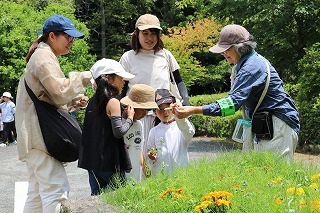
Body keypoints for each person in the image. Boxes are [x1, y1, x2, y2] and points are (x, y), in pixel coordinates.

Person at [173, 24, 300, 160]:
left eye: (226, 49)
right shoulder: (244, 65)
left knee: (275, 175)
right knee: (261, 173)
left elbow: (231, 105)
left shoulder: (251, 67)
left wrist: (193, 110)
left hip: (279, 125)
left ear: (240, 47)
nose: (223, 53)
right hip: (267, 125)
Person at [15, 14, 92, 213]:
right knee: (55, 191)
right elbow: (58, 92)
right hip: (40, 137)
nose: (71, 42)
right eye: (68, 37)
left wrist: (73, 102)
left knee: (37, 196)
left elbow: (48, 98)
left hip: (34, 137)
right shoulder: (43, 58)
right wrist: (83, 78)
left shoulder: (41, 55)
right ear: (52, 36)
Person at [119, 13, 190, 146]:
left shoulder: (165, 55)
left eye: (153, 33)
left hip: (163, 114)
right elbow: (122, 88)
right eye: (145, 33)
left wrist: (186, 103)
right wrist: (119, 112)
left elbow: (179, 81)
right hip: (137, 115)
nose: (149, 38)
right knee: (137, 152)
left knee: (161, 154)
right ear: (136, 34)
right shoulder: (128, 57)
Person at [78, 58, 136, 196]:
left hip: (92, 162)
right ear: (110, 79)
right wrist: (130, 117)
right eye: (121, 78)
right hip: (110, 162)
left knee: (97, 201)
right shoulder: (113, 101)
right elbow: (118, 132)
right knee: (120, 200)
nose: (124, 82)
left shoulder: (92, 102)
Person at [143, 89, 195, 176]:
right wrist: (151, 155)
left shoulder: (181, 126)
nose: (165, 112)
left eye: (168, 108)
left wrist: (180, 116)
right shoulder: (154, 131)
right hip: (161, 176)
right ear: (155, 112)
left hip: (181, 174)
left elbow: (190, 132)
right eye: (160, 109)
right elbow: (150, 149)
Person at [120, 84, 158, 182]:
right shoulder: (119, 124)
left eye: (148, 110)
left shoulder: (139, 125)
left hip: (136, 175)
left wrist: (145, 167)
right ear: (130, 107)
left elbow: (139, 148)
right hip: (122, 175)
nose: (145, 114)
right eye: (142, 110)